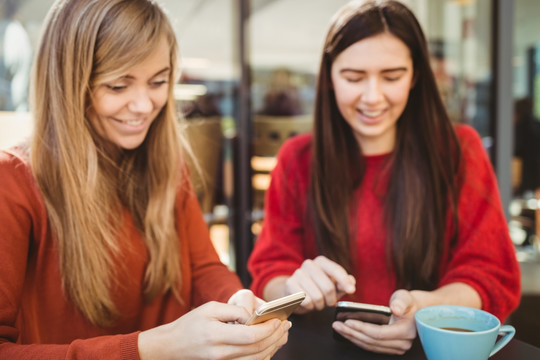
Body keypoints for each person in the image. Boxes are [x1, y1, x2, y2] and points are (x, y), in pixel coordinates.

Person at [0, 0, 290, 359]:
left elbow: (203, 268)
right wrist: (148, 348)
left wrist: (236, 300)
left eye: (158, 81)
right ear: (67, 84)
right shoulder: (11, 183)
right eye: (118, 86)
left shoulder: (167, 165)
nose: (143, 105)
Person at [248, 0, 520, 355]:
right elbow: (269, 272)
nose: (373, 97)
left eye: (392, 77)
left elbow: (491, 273)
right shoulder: (298, 159)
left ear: (415, 75)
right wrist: (294, 288)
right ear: (329, 76)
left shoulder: (459, 150)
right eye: (353, 77)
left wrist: (429, 309)